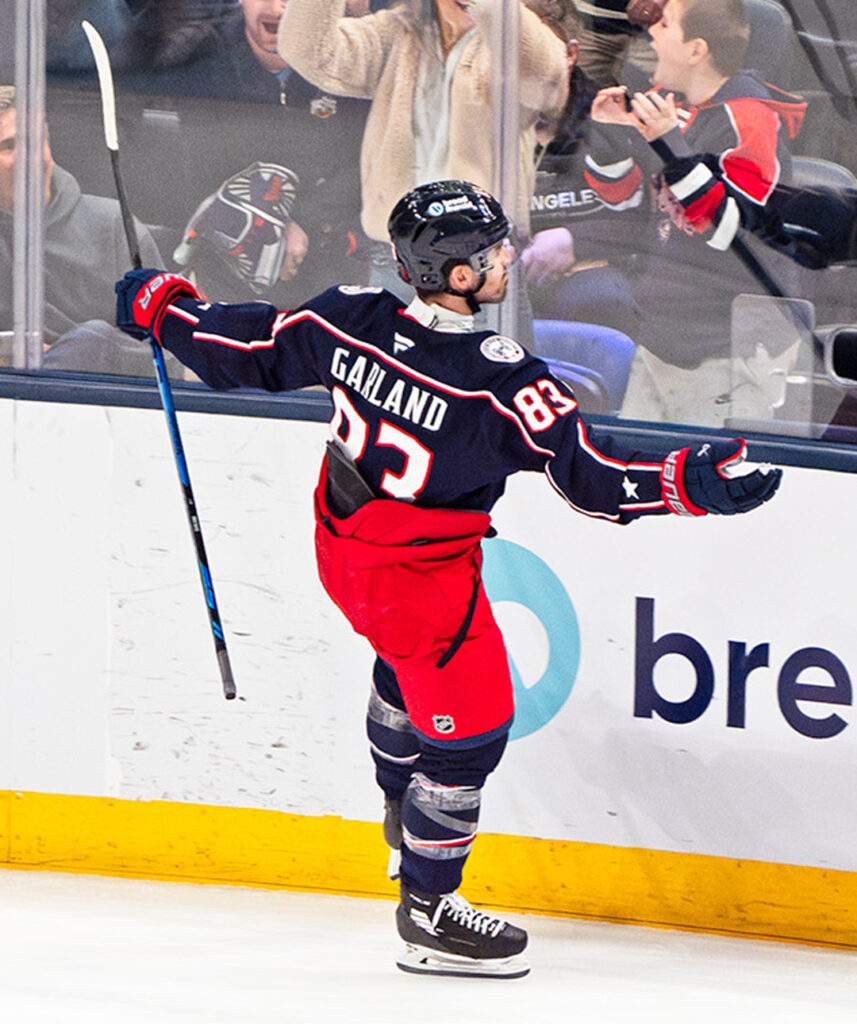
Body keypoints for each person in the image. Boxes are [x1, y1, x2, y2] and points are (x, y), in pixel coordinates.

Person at [114, 179, 782, 978]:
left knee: (402, 664)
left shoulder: (347, 319)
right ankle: (430, 910)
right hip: (424, 584)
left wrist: (164, 305)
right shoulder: (502, 381)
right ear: (459, 274)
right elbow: (593, 481)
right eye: (491, 251)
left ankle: (398, 795)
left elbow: (244, 352)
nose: (505, 259)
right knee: (469, 735)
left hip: (345, 553)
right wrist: (686, 483)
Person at [584, 0, 808, 427]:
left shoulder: (751, 121)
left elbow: (732, 233)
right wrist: (610, 136)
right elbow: (623, 202)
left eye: (665, 25)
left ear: (696, 50)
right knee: (640, 472)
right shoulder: (667, 107)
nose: (650, 34)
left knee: (705, 481)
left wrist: (672, 148)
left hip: (727, 351)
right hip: (660, 336)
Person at [276, 0, 569, 253]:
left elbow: (546, 81)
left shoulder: (524, 36)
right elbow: (310, 52)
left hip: (485, 256)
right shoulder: (400, 32)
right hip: (395, 254)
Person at [0, 86, 166, 374]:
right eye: (9, 146)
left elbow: (170, 355)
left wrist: (91, 349)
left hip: (104, 408)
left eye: (36, 141)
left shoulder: (115, 226)